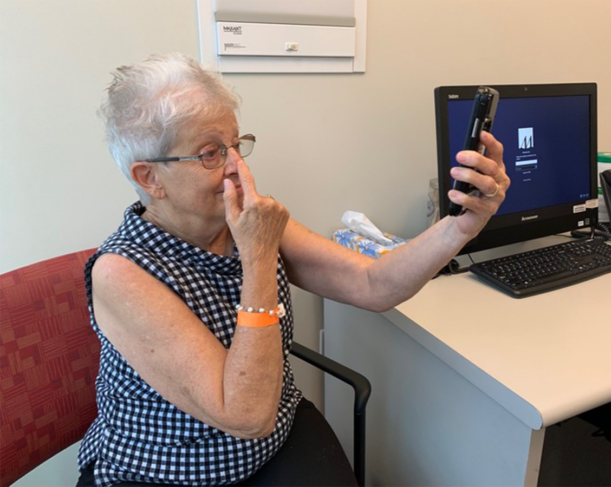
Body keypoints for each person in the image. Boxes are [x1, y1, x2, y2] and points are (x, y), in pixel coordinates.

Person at [76, 53, 510, 487]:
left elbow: (373, 284)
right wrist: (260, 256)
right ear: (150, 178)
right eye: (210, 153)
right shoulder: (122, 273)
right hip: (167, 470)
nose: (237, 167)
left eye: (235, 144)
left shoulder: (248, 222)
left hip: (271, 439)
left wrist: (459, 228)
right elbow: (245, 415)